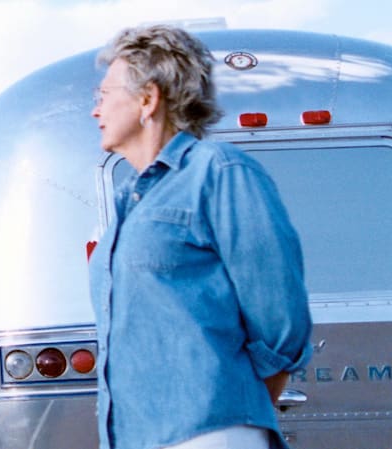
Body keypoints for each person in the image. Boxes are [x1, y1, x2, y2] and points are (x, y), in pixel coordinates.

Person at [87, 25, 313, 449]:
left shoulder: (220, 171)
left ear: (148, 99)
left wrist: (226, 404)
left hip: (209, 433)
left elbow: (281, 320)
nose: (95, 111)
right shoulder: (126, 202)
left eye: (103, 96)